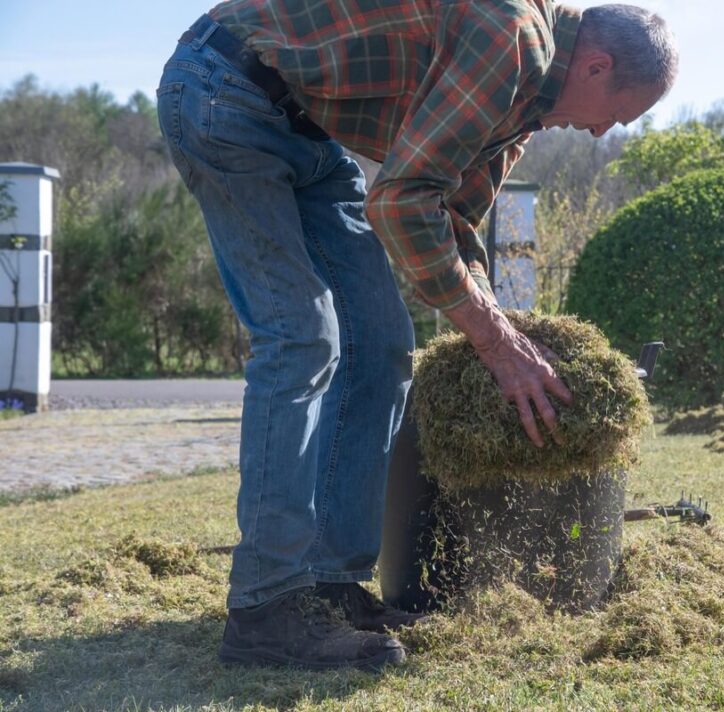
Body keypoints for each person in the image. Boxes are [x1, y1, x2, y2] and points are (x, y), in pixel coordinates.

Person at [156, 0, 677, 672]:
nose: (603, 133)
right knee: (302, 336)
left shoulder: (525, 103)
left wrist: (506, 330)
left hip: (310, 132)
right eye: (617, 113)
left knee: (380, 343)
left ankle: (329, 582)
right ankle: (264, 608)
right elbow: (400, 201)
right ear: (598, 65)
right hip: (223, 89)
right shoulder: (512, 37)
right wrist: (493, 343)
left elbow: (452, 215)